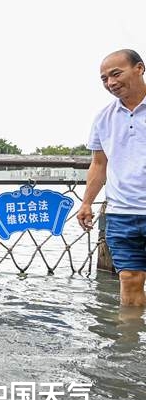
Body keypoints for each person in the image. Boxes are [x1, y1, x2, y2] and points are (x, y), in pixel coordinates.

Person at [77, 49, 146, 306]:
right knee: (129, 278)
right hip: (121, 213)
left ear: (139, 68)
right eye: (104, 79)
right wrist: (86, 202)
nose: (110, 83)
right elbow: (98, 163)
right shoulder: (103, 117)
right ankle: (128, 342)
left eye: (116, 74)